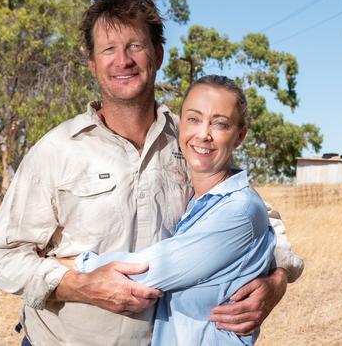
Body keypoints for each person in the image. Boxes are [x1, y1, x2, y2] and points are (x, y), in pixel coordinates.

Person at [0, 0, 303, 346]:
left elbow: (257, 218)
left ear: (158, 54)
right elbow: (0, 257)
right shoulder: (56, 151)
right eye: (108, 49)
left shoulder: (192, 140)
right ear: (92, 62)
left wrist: (277, 282)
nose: (123, 61)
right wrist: (78, 285)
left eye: (135, 46)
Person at [74, 75, 275, 345]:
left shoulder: (238, 211)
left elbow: (144, 271)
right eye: (194, 119)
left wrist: (69, 263)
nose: (204, 133)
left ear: (239, 136)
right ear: (180, 124)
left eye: (220, 123)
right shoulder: (197, 198)